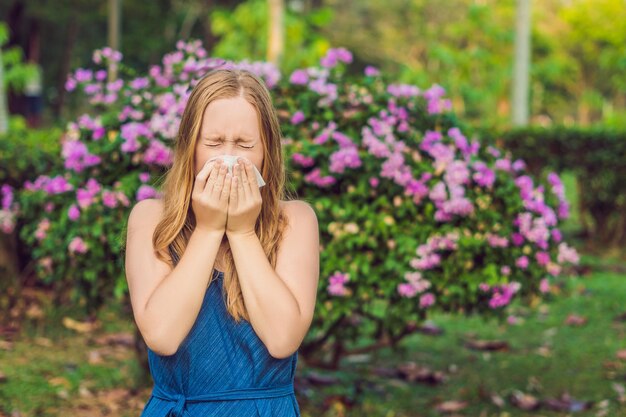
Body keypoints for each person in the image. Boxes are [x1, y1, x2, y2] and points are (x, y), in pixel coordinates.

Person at [124, 68, 320, 416]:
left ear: (267, 152)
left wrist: (242, 232)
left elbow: (283, 338)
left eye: (245, 145)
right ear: (191, 147)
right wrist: (209, 229)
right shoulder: (151, 218)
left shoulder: (295, 221)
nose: (229, 158)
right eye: (213, 143)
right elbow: (162, 335)